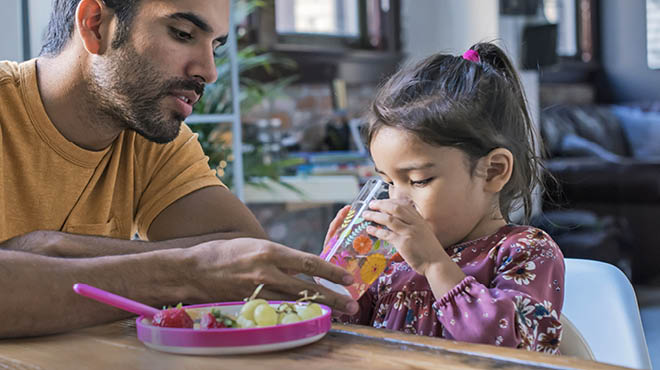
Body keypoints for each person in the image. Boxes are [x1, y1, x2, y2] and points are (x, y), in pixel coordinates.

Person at [0, 0, 358, 338]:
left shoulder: (146, 135)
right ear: (96, 25)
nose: (209, 71)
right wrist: (188, 271)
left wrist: (54, 249)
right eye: (183, 34)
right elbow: (214, 266)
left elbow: (243, 256)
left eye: (215, 46)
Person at [326, 43, 565, 353]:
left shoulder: (525, 253)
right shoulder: (390, 260)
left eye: (418, 180)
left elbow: (514, 349)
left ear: (493, 171)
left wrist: (434, 264)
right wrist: (340, 279)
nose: (398, 200)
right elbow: (346, 337)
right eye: (387, 182)